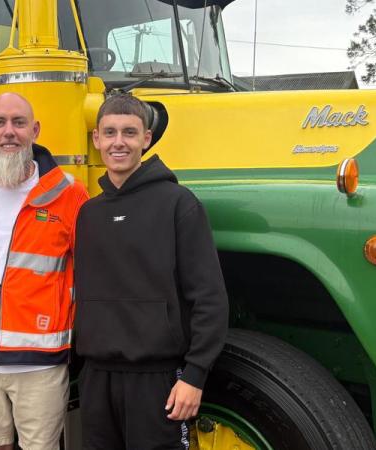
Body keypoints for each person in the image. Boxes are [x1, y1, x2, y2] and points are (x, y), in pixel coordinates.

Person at [73, 94, 229, 449]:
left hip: (157, 380)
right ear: (96, 139)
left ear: (146, 139)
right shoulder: (88, 214)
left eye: (129, 132)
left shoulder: (178, 204)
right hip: (96, 379)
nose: (119, 142)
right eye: (110, 132)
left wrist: (195, 375)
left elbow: (209, 297)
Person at [0, 92, 88, 450]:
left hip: (41, 364)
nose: (9, 132)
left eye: (19, 122)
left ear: (35, 130)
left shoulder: (69, 194)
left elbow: (91, 273)